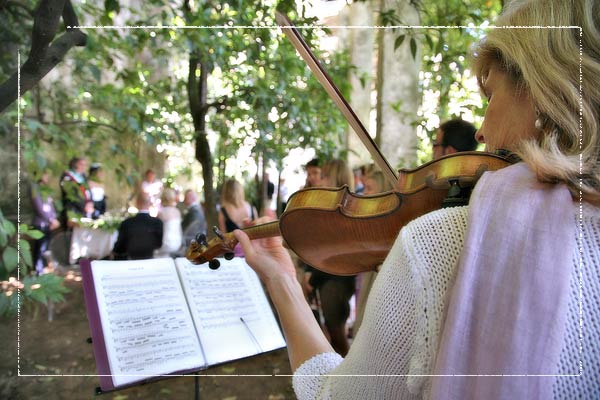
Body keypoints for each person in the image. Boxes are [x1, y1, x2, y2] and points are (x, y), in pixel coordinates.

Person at [233, 1, 600, 398]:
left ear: (543, 93)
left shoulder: (441, 245)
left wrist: (281, 280)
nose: (480, 132)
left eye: (490, 96)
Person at [301, 158, 356, 356]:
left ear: (336, 178)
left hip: (335, 281)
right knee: (331, 335)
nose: (320, 180)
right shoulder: (329, 205)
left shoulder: (346, 209)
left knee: (337, 335)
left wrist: (312, 277)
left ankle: (348, 379)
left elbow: (335, 253)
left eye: (324, 176)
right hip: (325, 278)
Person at [113, 193, 163, 260]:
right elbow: (159, 244)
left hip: (130, 259)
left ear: (136, 203)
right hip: (151, 258)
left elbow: (120, 247)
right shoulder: (158, 222)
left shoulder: (127, 223)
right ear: (150, 204)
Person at [30, 170, 60, 275]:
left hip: (48, 224)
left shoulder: (45, 189)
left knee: (45, 248)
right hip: (40, 223)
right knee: (40, 248)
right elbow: (39, 207)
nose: (47, 177)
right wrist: (51, 220)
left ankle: (43, 270)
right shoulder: (34, 187)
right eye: (45, 174)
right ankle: (38, 271)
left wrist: (54, 218)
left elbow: (50, 206)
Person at [218, 178, 257, 257]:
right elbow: (257, 232)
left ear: (226, 192)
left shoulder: (223, 211)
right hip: (252, 252)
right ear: (241, 191)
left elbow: (224, 238)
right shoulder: (252, 208)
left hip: (233, 256)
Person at [59, 157, 91, 227]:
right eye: (81, 164)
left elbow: (88, 191)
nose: (83, 167)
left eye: (84, 165)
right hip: (73, 209)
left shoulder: (83, 176)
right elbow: (71, 195)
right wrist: (83, 206)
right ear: (74, 164)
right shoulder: (67, 177)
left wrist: (89, 202)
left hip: (84, 210)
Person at [155, 188, 183, 257]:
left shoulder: (161, 213)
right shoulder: (177, 211)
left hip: (166, 244)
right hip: (177, 243)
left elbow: (156, 231)